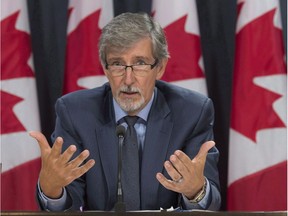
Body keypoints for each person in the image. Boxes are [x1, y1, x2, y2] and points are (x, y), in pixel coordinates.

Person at [30, 12, 221, 211]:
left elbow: (211, 203)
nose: (128, 80)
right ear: (105, 68)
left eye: (139, 64)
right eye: (118, 64)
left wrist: (195, 191)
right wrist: (52, 191)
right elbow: (70, 203)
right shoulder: (75, 113)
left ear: (160, 67)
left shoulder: (192, 112)